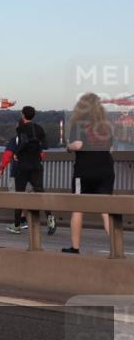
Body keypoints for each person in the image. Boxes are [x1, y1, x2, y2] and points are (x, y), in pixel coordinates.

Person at [63, 93, 115, 255]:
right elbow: (111, 149)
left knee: (78, 208)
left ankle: (75, 248)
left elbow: (77, 145)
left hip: (84, 171)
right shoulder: (106, 127)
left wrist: (69, 147)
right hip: (106, 170)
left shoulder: (78, 125)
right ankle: (115, 247)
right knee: (105, 211)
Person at [5, 106, 55, 235]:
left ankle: (17, 225)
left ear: (23, 115)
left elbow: (23, 142)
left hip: (23, 165)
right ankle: (50, 218)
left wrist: (17, 153)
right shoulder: (39, 128)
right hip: (36, 165)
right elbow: (45, 145)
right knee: (40, 192)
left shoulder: (21, 128)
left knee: (19, 194)